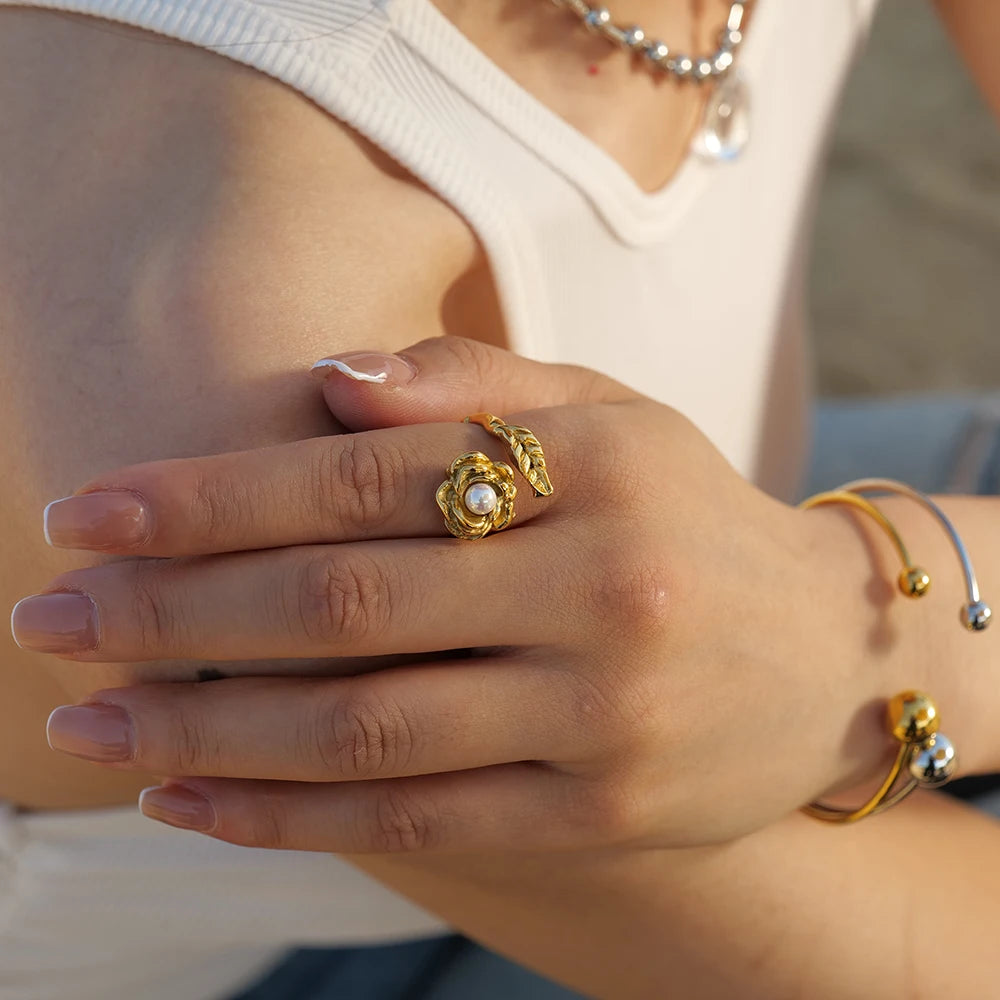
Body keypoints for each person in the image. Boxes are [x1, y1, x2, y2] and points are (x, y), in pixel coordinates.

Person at [1, 1, 998, 998]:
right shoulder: (233, 324)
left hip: (742, 565)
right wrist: (883, 617)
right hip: (285, 953)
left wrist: (883, 619)